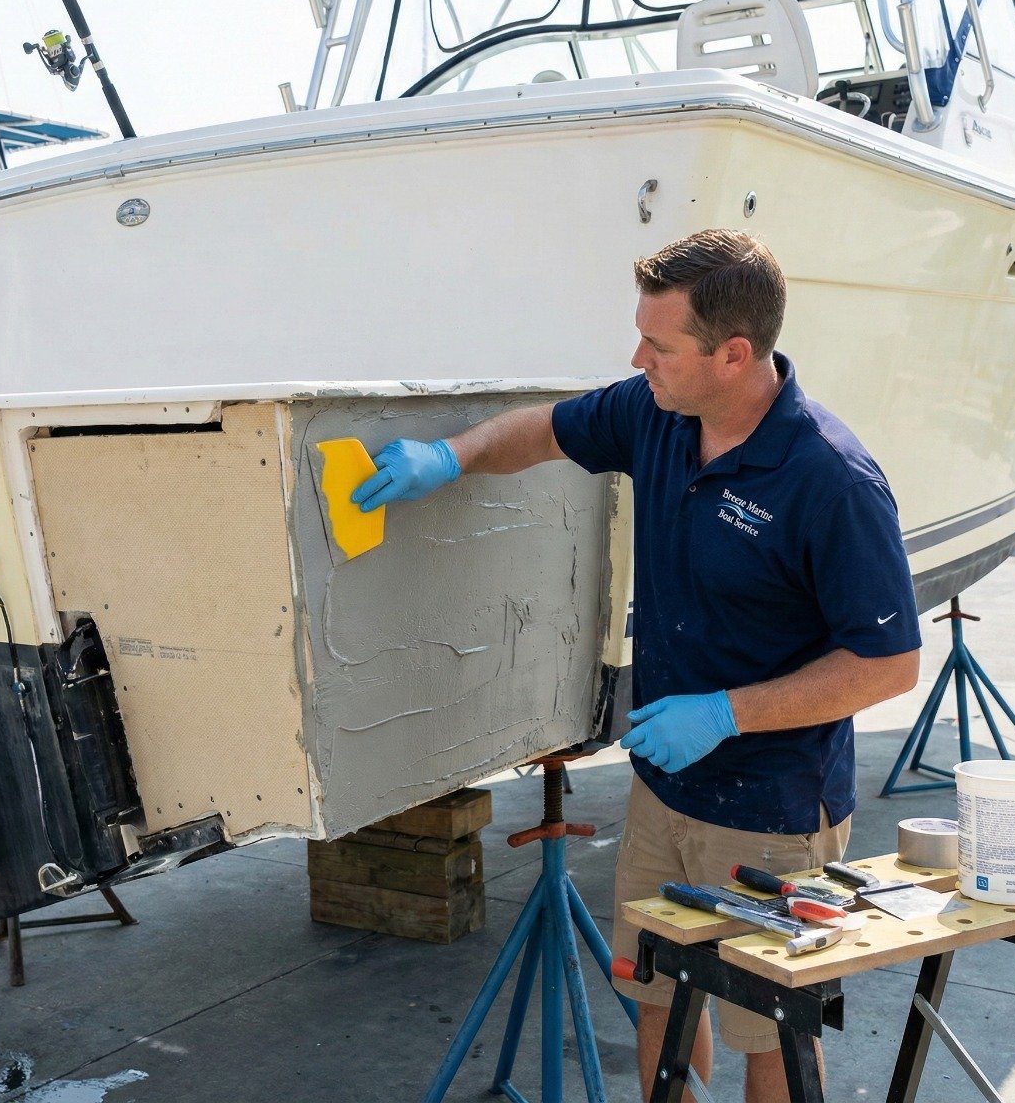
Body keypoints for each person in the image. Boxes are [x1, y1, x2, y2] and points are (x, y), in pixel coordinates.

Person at [351, 229, 921, 1103]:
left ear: (734, 355)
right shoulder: (656, 416)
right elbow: (541, 431)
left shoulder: (829, 479)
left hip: (770, 805)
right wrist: (450, 459)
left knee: (770, 1037)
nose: (636, 358)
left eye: (658, 345)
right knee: (658, 998)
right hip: (663, 788)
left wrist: (726, 713)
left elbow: (887, 664)